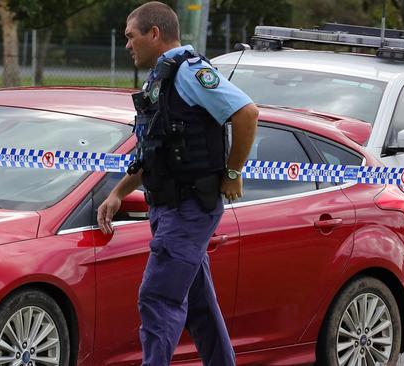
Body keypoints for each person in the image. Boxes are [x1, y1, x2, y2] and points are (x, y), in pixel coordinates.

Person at [97, 2, 258, 365]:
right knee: (199, 306)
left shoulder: (189, 73)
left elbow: (247, 113)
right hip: (169, 207)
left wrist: (233, 172)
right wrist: (119, 193)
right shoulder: (161, 77)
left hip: (187, 209)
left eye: (130, 36)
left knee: (157, 300)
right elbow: (155, 151)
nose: (127, 45)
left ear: (154, 34)